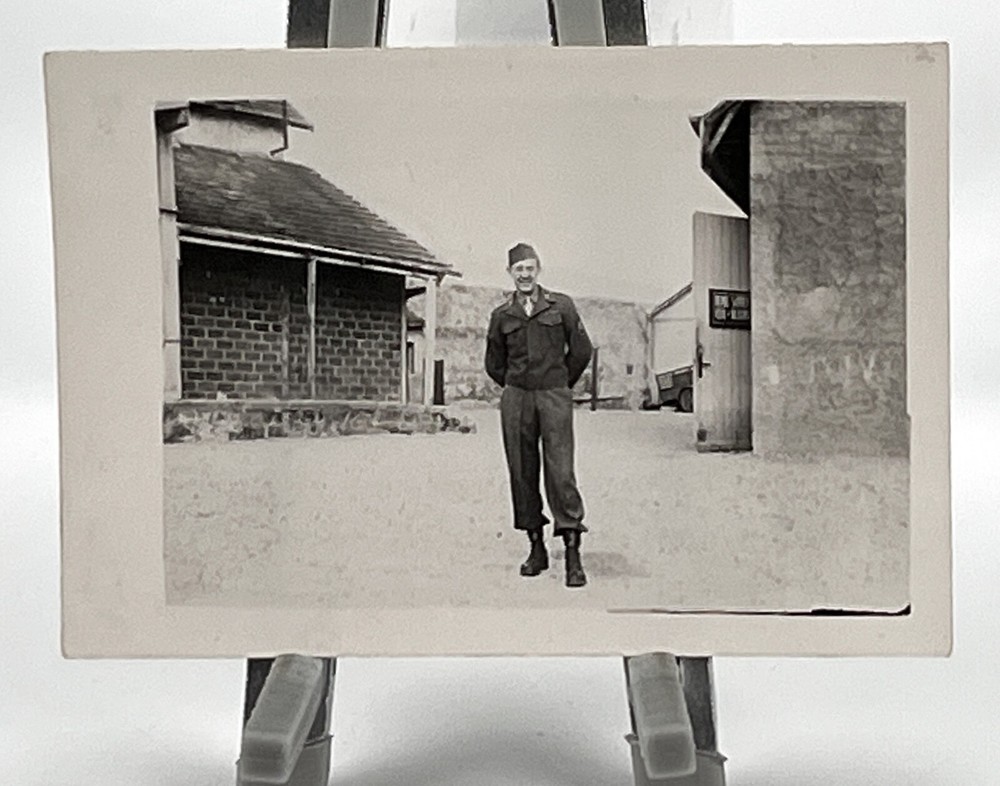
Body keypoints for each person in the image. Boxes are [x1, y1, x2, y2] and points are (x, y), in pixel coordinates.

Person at [484, 242, 593, 588]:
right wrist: (517, 387)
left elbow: (581, 351)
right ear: (510, 273)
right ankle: (536, 549)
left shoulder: (562, 306)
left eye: (530, 267)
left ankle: (573, 555)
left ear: (539, 269)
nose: (525, 274)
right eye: (519, 269)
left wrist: (560, 384)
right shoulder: (502, 315)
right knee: (522, 471)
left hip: (553, 395)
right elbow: (493, 363)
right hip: (517, 398)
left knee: (561, 472)